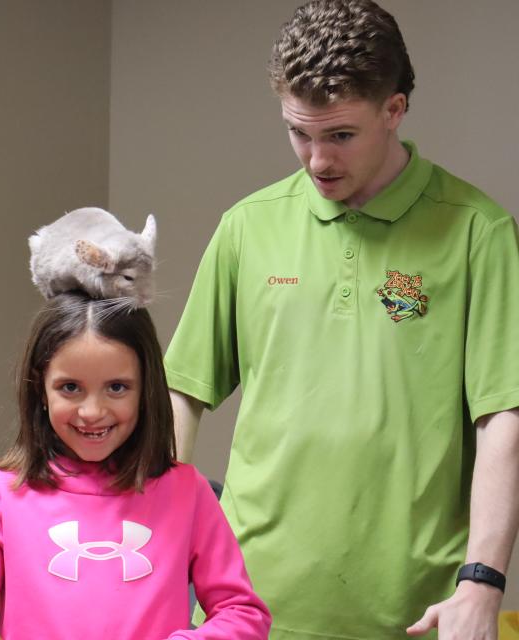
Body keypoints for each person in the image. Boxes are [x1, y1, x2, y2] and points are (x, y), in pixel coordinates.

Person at [164, 0, 519, 637]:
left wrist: (483, 581)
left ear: (394, 110)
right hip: (243, 604)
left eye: (340, 135)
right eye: (299, 132)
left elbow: (504, 415)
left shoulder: (477, 231)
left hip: (415, 610)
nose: (317, 160)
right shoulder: (248, 226)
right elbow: (183, 394)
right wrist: (155, 546)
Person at [0, 291, 271, 639]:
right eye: (71, 387)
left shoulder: (188, 492)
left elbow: (243, 615)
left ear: (146, 390)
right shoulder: (2, 497)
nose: (92, 411)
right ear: (40, 390)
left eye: (117, 387)